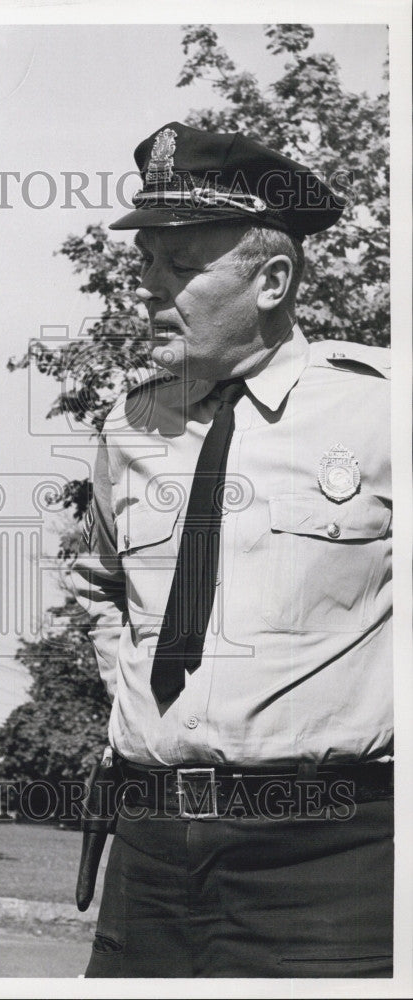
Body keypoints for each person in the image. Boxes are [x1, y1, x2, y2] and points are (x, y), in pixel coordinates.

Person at [72, 122, 392, 978]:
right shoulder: (132, 424)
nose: (148, 287)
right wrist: (140, 702)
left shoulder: (380, 413)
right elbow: (101, 588)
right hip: (149, 854)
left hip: (327, 864)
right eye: (145, 263)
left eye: (182, 266)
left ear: (273, 280)